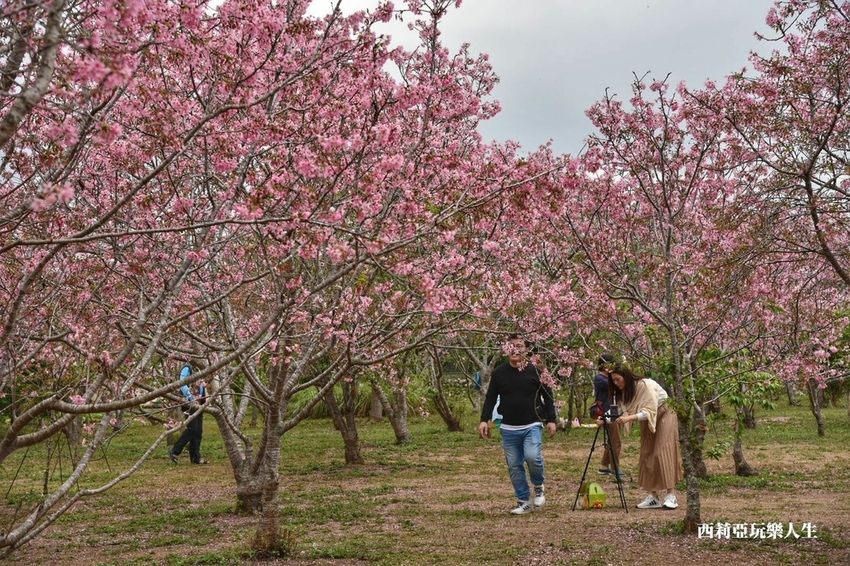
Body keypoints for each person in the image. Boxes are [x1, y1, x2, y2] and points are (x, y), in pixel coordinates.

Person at [478, 334, 558, 515]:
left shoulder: (536, 371)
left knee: (532, 457)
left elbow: (548, 396)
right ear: (506, 349)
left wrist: (551, 420)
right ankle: (523, 501)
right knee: (514, 465)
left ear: (527, 349)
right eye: (511, 345)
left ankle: (538, 485)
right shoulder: (499, 372)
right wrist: (484, 419)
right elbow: (491, 397)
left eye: (519, 345)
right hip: (508, 427)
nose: (515, 349)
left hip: (532, 424)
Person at [605, 364, 682, 509]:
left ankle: (671, 495)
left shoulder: (644, 385)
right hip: (646, 419)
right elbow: (619, 411)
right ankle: (653, 496)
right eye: (613, 381)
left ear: (625, 376)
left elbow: (649, 411)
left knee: (662, 452)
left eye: (617, 379)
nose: (616, 383)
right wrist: (604, 418)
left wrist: (629, 418)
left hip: (664, 412)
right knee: (647, 453)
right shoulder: (625, 392)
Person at [168, 364, 208, 465]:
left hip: (199, 403)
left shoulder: (201, 367)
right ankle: (175, 451)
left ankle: (196, 457)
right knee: (192, 429)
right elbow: (182, 383)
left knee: (198, 430)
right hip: (190, 403)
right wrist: (190, 398)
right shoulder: (188, 368)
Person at [593, 354, 624, 478]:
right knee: (616, 441)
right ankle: (615, 467)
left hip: (614, 411)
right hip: (606, 412)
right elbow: (611, 385)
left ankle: (604, 466)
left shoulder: (609, 378)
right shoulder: (600, 378)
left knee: (612, 438)